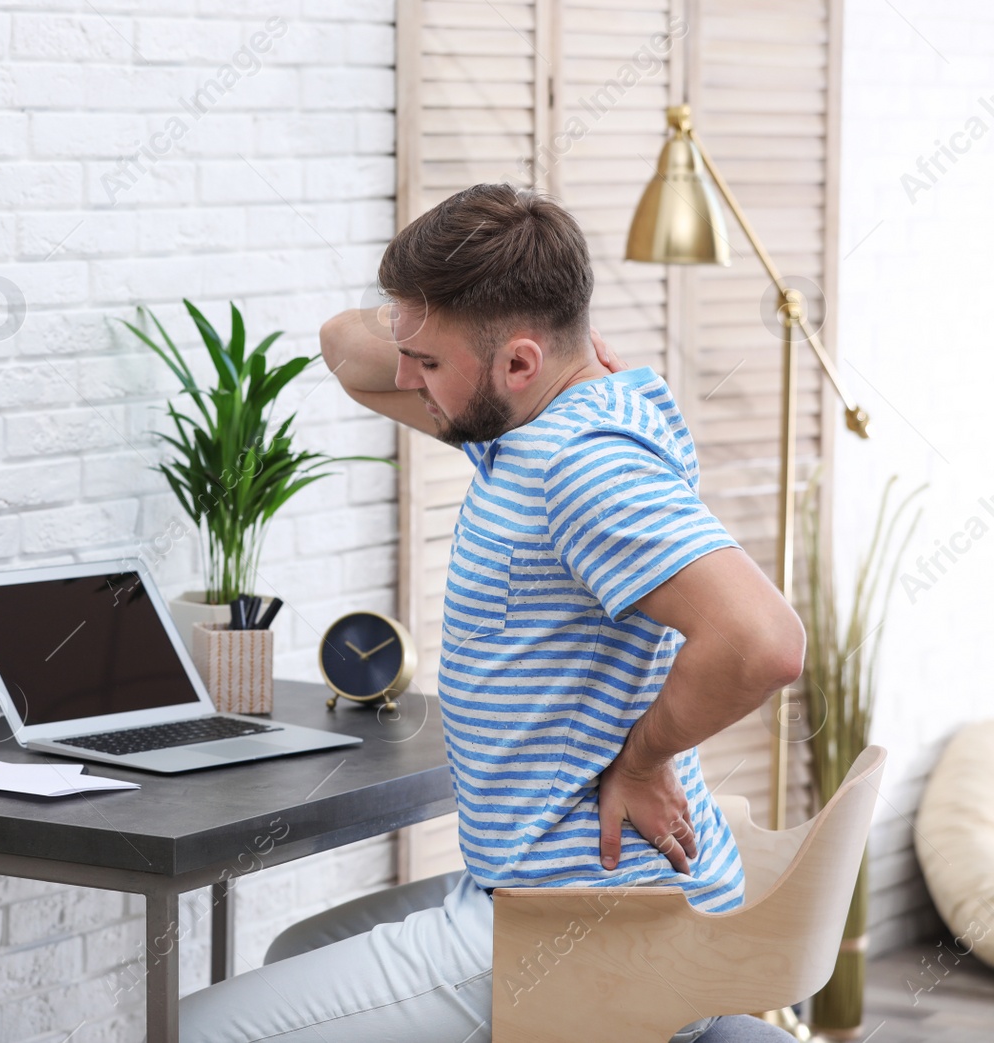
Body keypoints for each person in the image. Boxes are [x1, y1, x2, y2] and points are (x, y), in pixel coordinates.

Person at [179, 183, 807, 1043]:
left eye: (428, 363)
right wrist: (442, 330)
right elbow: (343, 346)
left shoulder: (575, 463)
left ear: (518, 364)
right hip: (558, 890)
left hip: (579, 920)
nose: (406, 380)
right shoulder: (541, 418)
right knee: (295, 946)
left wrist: (644, 757)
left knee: (188, 1029)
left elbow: (764, 641)